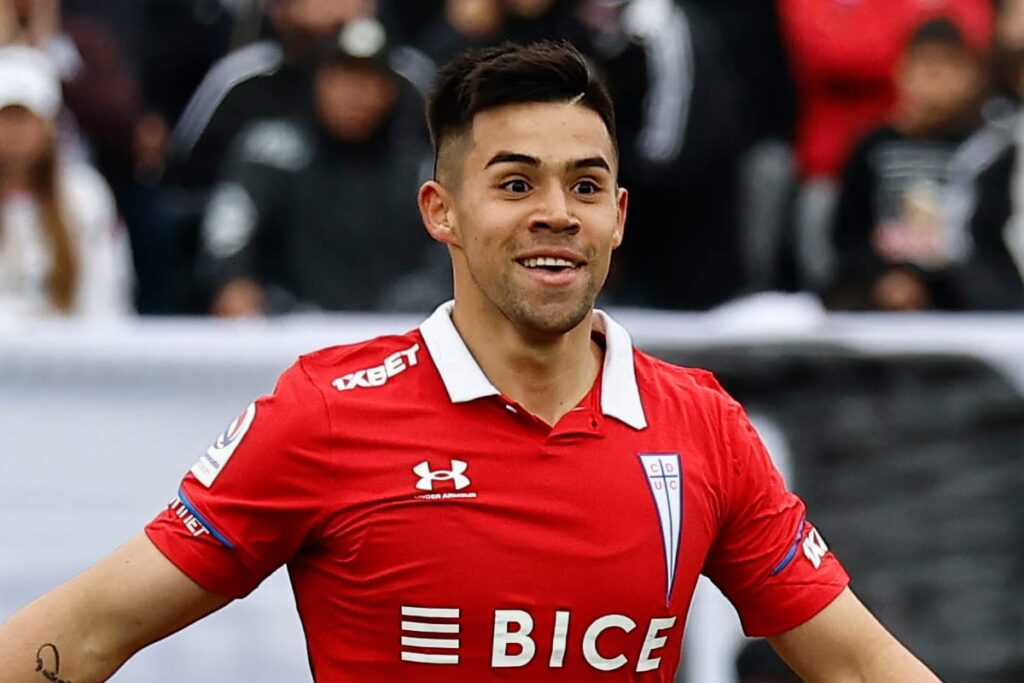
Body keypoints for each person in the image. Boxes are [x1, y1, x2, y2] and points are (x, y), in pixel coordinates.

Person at [0, 41, 940, 681]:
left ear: (619, 216)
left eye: (586, 184)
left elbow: (858, 663)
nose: (556, 212)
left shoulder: (702, 426)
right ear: (440, 212)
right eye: (515, 182)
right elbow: (79, 637)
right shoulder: (325, 413)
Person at [198, 17, 443, 316]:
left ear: (390, 91)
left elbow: (451, 251)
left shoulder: (420, 168)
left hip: (398, 330)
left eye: (368, 80)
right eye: (343, 77)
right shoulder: (272, 153)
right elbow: (228, 232)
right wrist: (232, 279)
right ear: (319, 82)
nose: (355, 94)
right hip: (286, 332)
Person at [826, 18, 989, 311]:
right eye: (925, 65)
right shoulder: (874, 146)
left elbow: (990, 242)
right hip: (881, 290)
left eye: (948, 65)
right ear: (901, 71)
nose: (935, 78)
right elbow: (847, 236)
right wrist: (883, 279)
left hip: (961, 296)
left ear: (973, 76)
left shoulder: (986, 148)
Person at [0, 45, 132, 319]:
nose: (14, 132)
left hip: (69, 352)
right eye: (5, 119)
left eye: (24, 119)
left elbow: (106, 294)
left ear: (48, 124)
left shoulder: (84, 195)